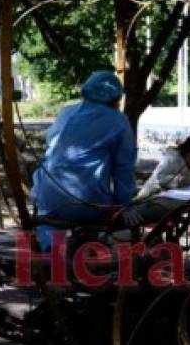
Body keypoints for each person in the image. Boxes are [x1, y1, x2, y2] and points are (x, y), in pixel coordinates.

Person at [31, 70, 138, 249]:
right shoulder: (118, 120)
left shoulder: (66, 112)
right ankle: (90, 253)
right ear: (116, 98)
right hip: (87, 202)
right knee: (106, 222)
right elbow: (124, 167)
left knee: (51, 225)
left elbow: (51, 146)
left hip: (47, 198)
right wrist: (125, 203)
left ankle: (51, 251)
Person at [136, 134, 190, 199]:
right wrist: (175, 181)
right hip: (150, 197)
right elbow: (159, 178)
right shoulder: (172, 159)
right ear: (186, 151)